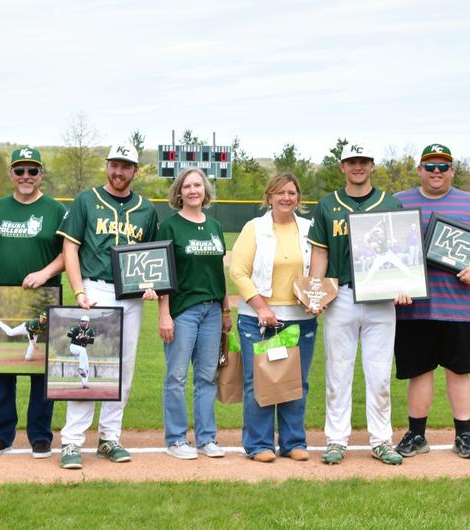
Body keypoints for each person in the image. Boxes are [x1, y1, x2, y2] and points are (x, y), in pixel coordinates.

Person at [393, 143, 470, 459]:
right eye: (430, 166)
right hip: (414, 307)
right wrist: (393, 283)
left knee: (459, 371)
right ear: (419, 170)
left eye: (443, 166)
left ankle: (464, 435)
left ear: (453, 170)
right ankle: (417, 434)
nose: (436, 172)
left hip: (459, 307)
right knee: (419, 371)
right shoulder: (399, 202)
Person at [55, 141, 159, 470]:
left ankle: (109, 437)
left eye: (125, 166)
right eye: (114, 164)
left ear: (135, 170)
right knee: (88, 367)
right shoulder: (86, 200)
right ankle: (72, 441)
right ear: (107, 165)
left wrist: (151, 285)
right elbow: (70, 248)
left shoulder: (146, 209)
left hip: (131, 296)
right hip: (95, 290)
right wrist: (78, 290)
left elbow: (152, 258)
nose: (118, 171)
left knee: (123, 369)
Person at [307, 143, 409, 466]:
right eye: (352, 161)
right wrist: (314, 292)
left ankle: (381, 440)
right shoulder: (327, 205)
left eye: (363, 161)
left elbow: (403, 252)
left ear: (372, 164)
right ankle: (336, 440)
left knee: (379, 375)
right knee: (338, 372)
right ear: (342, 166)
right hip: (341, 296)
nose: (358, 166)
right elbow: (320, 253)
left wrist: (403, 285)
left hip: (380, 297)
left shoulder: (390, 204)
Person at [0, 146, 66, 459]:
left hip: (43, 298)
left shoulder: (56, 210)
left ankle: (40, 436)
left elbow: (69, 253)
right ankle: (2, 435)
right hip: (3, 297)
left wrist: (45, 273)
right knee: (2, 371)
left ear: (41, 174)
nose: (26, 176)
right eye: (20, 170)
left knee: (41, 372)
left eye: (33, 170)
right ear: (11, 174)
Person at [229, 173, 317, 463]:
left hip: (300, 318)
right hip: (258, 318)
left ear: (298, 197)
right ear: (269, 197)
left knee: (297, 381)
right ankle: (258, 445)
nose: (286, 198)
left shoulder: (309, 229)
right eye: (280, 192)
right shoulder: (254, 228)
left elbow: (320, 269)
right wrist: (261, 308)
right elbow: (238, 272)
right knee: (259, 381)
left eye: (291, 192)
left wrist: (317, 299)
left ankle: (293, 442)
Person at [155, 167, 232, 460]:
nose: (193, 190)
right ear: (179, 192)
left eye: (197, 185)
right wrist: (164, 314)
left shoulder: (214, 226)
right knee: (176, 376)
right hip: (183, 310)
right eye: (186, 186)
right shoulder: (170, 227)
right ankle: (176, 439)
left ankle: (206, 438)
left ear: (205, 190)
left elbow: (220, 272)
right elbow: (163, 274)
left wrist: (226, 309)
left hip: (212, 310)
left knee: (207, 377)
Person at [68, 315, 95, 389]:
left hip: (82, 350)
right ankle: (80, 368)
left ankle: (85, 384)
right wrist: (77, 337)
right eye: (81, 321)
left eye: (83, 321)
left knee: (87, 365)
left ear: (87, 322)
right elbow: (69, 334)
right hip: (74, 347)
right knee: (83, 350)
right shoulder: (77, 328)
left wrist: (86, 339)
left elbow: (92, 341)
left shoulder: (91, 331)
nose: (81, 322)